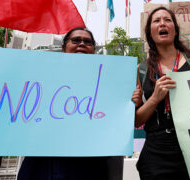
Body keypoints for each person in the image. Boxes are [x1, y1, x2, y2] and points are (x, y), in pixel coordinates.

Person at [17, 27, 123, 180]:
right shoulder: (43, 75)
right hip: (46, 160)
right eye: (76, 40)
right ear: (63, 47)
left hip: (89, 162)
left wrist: (129, 101)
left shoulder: (106, 82)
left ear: (93, 49)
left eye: (87, 42)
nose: (82, 44)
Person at [132, 6, 190, 180]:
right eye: (156, 21)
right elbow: (136, 120)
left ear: (175, 29)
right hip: (157, 150)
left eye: (167, 20)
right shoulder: (141, 70)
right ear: (149, 33)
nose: (162, 24)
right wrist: (155, 98)